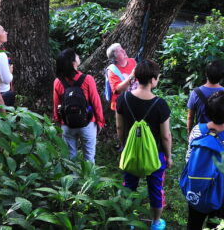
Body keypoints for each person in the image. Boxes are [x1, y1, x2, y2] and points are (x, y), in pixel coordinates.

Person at [116, 59, 172, 230]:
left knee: (129, 186)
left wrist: (125, 145)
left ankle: (129, 222)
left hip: (131, 152)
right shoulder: (160, 104)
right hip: (155, 155)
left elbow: (119, 126)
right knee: (155, 188)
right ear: (153, 79)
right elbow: (166, 136)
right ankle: (155, 223)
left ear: (136, 77)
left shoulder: (123, 99)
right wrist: (168, 156)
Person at [186, 91, 224, 229]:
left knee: (194, 224)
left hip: (196, 189)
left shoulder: (197, 130)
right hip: (223, 193)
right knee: (216, 226)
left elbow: (188, 159)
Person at [53, 48, 105, 164]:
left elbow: (57, 104)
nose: (78, 56)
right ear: (73, 63)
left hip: (67, 124)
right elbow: (95, 102)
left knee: (71, 158)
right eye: (76, 56)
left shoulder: (58, 82)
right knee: (89, 157)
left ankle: (73, 181)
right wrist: (100, 121)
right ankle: (89, 181)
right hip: (87, 124)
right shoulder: (87, 79)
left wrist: (59, 122)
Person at [186, 60, 224, 135]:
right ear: (222, 77)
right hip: (220, 134)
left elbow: (190, 117)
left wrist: (189, 133)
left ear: (206, 74)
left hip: (201, 133)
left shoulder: (196, 93)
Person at [106, 43, 137, 111]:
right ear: (115, 58)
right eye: (120, 51)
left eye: (122, 49)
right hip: (122, 105)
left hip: (135, 100)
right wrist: (132, 75)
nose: (124, 51)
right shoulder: (112, 70)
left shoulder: (133, 61)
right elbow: (117, 90)